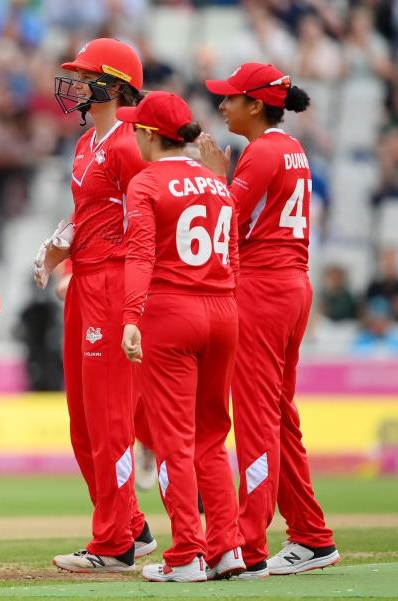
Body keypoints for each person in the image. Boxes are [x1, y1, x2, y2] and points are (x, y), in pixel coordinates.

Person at [199, 62, 339, 578]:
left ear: (255, 105)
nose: (221, 106)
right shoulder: (292, 148)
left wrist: (214, 179)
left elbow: (221, 222)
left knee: (257, 417)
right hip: (293, 287)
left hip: (262, 289)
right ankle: (310, 536)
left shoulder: (262, 152)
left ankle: (249, 547)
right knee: (278, 416)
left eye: (230, 98)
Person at [33, 37, 156, 573]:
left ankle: (114, 545)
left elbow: (146, 222)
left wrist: (133, 300)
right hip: (86, 280)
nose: (77, 86)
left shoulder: (130, 145)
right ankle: (131, 527)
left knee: (109, 419)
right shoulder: (88, 144)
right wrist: (61, 245)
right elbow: (91, 210)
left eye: (86, 77)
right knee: (83, 420)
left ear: (114, 84)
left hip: (113, 284)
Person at [118, 91, 243, 583]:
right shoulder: (216, 183)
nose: (132, 135)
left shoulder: (146, 181)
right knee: (212, 438)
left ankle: (187, 554)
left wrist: (131, 317)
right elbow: (231, 253)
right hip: (223, 310)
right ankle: (227, 547)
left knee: (175, 441)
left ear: (150, 135)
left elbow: (141, 253)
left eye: (136, 129)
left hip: (172, 313)